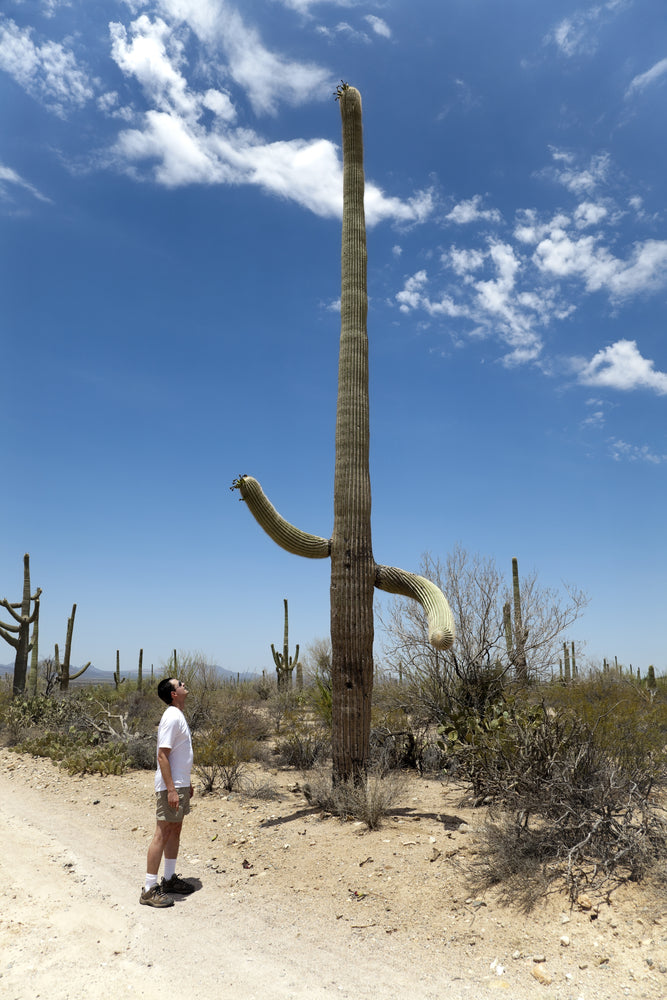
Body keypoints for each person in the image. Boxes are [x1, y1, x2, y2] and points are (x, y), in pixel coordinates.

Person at [140, 677, 196, 907]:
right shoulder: (172, 717)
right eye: (180, 684)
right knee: (162, 832)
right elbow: (162, 755)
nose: (184, 685)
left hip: (179, 783)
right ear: (173, 693)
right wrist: (171, 789)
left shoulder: (177, 715)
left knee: (175, 829)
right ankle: (149, 889)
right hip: (170, 786)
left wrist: (185, 783)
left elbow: (178, 755)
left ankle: (170, 879)